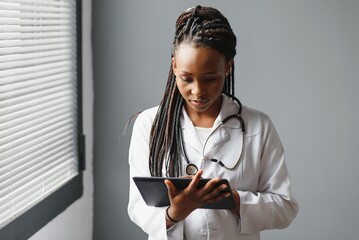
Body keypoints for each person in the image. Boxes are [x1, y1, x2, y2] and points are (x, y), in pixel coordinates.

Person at [127, 5, 299, 240]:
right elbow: (137, 206)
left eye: (209, 79)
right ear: (174, 65)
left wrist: (232, 199)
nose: (198, 91)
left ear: (228, 67)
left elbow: (285, 207)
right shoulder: (149, 125)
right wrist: (175, 213)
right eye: (186, 78)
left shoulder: (258, 127)